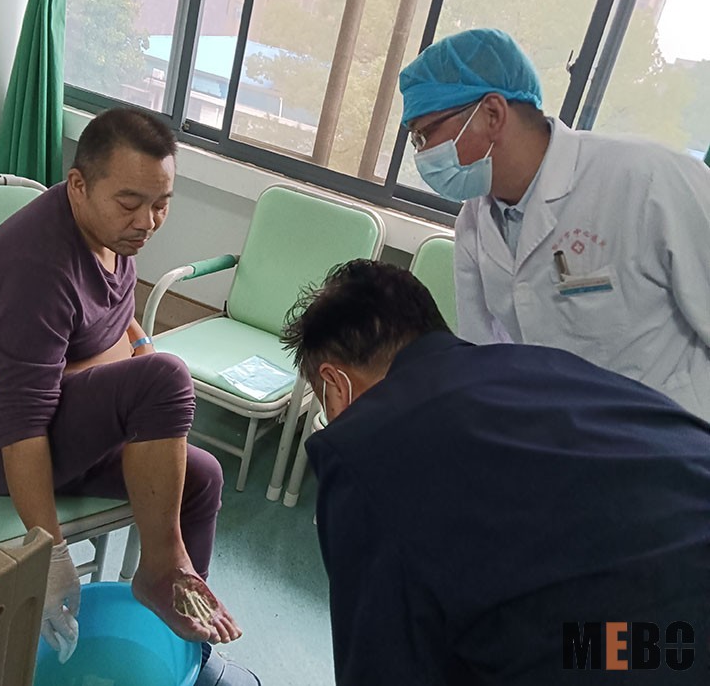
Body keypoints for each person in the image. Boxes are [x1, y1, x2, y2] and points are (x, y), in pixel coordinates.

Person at [281, 259, 710, 685]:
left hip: (658, 641)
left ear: (335, 384)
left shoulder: (362, 443)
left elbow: (384, 666)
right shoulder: (542, 365)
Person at [0, 108, 258, 683]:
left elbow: (111, 317)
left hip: (55, 412)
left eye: (162, 203)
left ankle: (188, 643)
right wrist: (48, 553)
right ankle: (161, 571)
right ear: (78, 185)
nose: (148, 222)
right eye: (131, 203)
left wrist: (136, 345)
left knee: (202, 478)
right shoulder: (38, 265)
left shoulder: (112, 230)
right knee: (167, 379)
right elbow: (22, 424)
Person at [399, 28, 710, 422]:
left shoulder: (650, 179)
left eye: (424, 135)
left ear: (492, 114)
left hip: (675, 436)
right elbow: (483, 354)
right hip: (559, 436)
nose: (423, 154)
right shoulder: (475, 224)